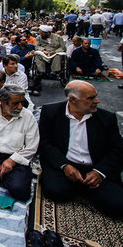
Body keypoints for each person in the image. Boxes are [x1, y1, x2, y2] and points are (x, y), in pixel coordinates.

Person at [39, 80, 123, 217]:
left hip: (95, 167)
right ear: (73, 100)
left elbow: (118, 150)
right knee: (55, 192)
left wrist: (99, 172)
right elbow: (45, 143)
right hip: (66, 165)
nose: (97, 101)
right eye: (91, 98)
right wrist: (65, 165)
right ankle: (82, 187)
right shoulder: (51, 112)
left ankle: (88, 187)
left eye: (95, 96)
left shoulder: (106, 118)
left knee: (117, 205)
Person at [32, 25, 66, 96]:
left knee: (58, 56)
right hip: (44, 53)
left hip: (54, 52)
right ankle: (41, 71)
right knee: (38, 55)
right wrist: (43, 50)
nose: (40, 35)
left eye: (42, 33)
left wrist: (55, 51)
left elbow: (63, 47)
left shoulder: (58, 38)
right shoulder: (38, 38)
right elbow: (37, 46)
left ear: (48, 33)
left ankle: (55, 71)